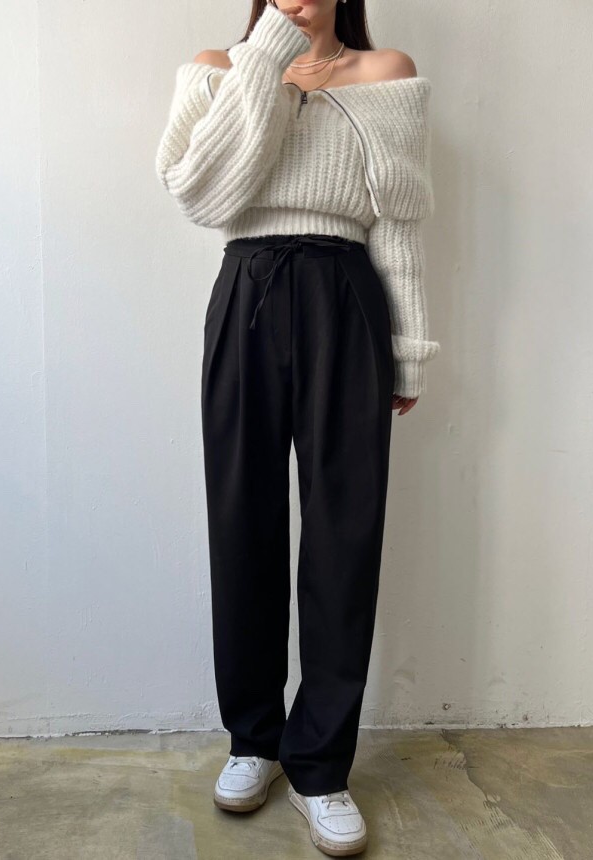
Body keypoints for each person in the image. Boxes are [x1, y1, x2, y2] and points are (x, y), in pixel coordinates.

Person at [154, 1, 439, 854]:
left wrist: (409, 349)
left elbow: (399, 221)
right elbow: (207, 194)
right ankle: (254, 741)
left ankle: (321, 766)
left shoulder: (386, 73)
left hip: (347, 297)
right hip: (245, 290)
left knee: (345, 532)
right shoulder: (218, 68)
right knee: (241, 519)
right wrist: (269, 63)